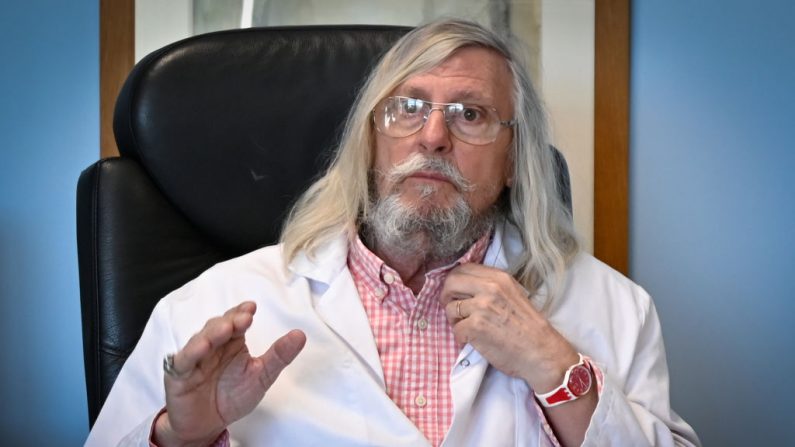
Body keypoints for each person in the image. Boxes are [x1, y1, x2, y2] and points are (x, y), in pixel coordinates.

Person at [86, 19, 700, 447]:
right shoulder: (211, 306)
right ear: (371, 141)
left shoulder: (612, 308)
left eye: (471, 114)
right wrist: (179, 436)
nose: (433, 137)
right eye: (407, 108)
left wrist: (557, 369)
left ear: (516, 160)